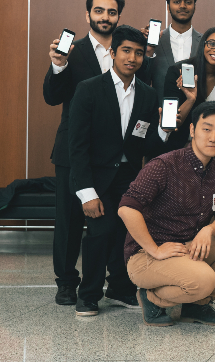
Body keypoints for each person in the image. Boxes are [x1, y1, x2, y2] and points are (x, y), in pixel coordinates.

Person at [44, 0, 144, 306]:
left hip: (117, 158)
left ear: (118, 17)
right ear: (88, 15)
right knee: (70, 221)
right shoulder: (73, 51)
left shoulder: (127, 50)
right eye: (98, 11)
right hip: (74, 152)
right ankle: (66, 282)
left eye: (111, 12)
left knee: (113, 224)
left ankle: (117, 284)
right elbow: (51, 96)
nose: (105, 17)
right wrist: (59, 66)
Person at [119, 102, 215, 327]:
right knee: (204, 279)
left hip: (187, 248)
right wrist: (155, 249)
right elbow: (126, 208)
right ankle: (151, 298)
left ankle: (197, 306)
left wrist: (208, 230)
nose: (214, 137)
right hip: (147, 256)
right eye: (207, 129)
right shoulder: (164, 165)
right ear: (192, 130)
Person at [67, 25, 171, 316]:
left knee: (125, 235)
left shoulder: (148, 96)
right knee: (99, 233)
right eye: (126, 51)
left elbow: (145, 143)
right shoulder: (89, 89)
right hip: (96, 178)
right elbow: (76, 146)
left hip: (129, 177)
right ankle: (87, 294)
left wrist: (164, 130)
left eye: (139, 53)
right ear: (113, 53)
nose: (132, 58)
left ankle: (120, 288)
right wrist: (86, 193)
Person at [164, 27, 215, 175]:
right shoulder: (178, 71)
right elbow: (172, 123)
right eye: (212, 43)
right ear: (203, 46)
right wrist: (190, 99)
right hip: (182, 148)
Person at [150, 0, 202, 93]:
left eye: (188, 2)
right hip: (160, 107)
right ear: (168, 7)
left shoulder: (205, 43)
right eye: (177, 1)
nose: (183, 6)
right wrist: (148, 51)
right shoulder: (154, 41)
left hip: (196, 108)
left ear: (195, 7)